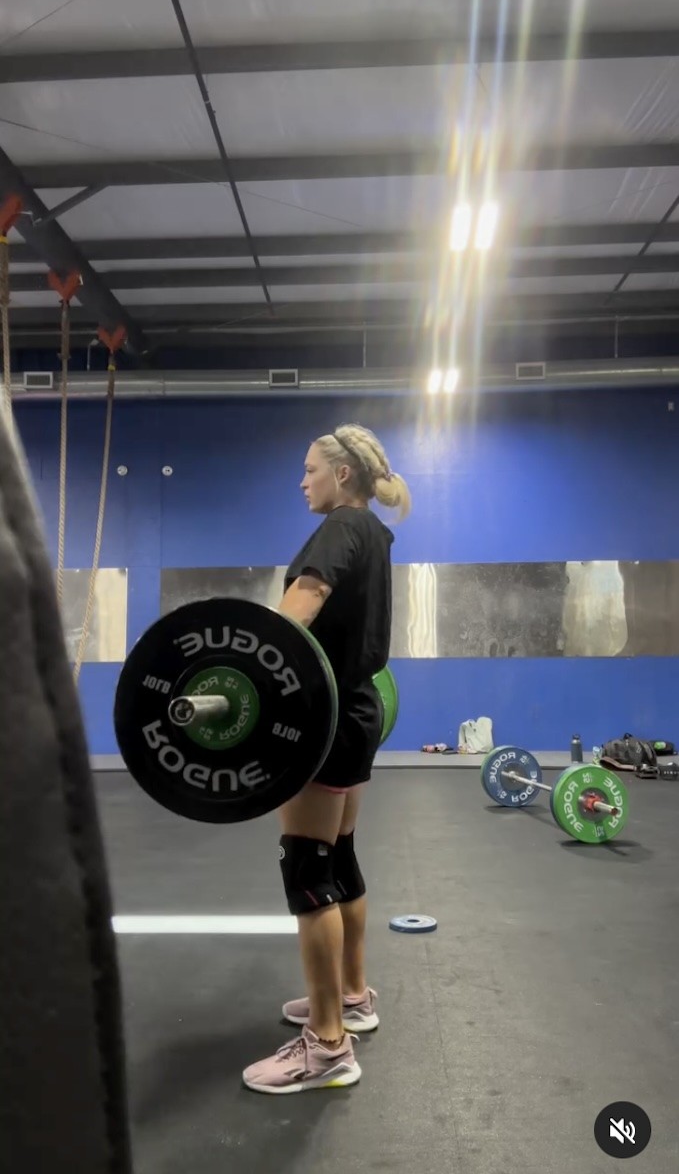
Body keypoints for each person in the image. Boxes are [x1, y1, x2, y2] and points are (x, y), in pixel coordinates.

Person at [242, 423, 411, 1094]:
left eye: (310, 468)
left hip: (325, 715)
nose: (302, 479)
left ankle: (327, 1048)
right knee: (338, 858)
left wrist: (250, 666)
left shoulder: (340, 528)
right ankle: (350, 997)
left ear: (342, 475)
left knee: (307, 871)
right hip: (359, 708)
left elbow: (299, 609)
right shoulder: (375, 532)